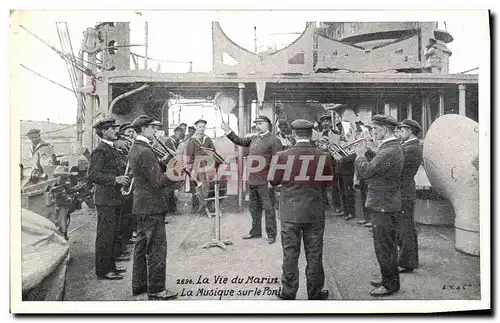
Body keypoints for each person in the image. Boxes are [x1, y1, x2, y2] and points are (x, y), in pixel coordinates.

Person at [270, 119, 332, 300]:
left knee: (290, 253)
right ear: (311, 134)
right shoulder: (323, 155)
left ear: (293, 135)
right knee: (314, 254)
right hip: (314, 212)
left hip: (290, 213)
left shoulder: (282, 156)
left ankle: (288, 292)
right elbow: (328, 183)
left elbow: (273, 181)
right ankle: (315, 293)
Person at [128, 115, 179, 300]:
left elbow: (148, 172)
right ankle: (157, 290)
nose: (155, 130)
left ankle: (139, 285)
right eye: (151, 127)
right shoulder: (146, 151)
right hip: (152, 206)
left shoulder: (137, 148)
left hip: (141, 205)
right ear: (143, 129)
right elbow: (157, 181)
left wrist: (163, 162)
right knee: (156, 248)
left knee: (141, 247)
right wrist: (175, 172)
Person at [354, 114, 404, 297]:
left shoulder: (389, 150)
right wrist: (371, 152)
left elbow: (366, 172)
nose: (372, 133)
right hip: (386, 202)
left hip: (383, 203)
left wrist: (360, 156)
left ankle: (390, 284)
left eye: (374, 129)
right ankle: (388, 279)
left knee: (384, 246)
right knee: (386, 245)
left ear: (383, 129)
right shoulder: (390, 148)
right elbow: (381, 166)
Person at [221, 115, 282, 244]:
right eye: (257, 123)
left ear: (267, 125)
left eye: (260, 123)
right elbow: (240, 141)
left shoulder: (274, 140)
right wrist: (228, 131)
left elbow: (277, 162)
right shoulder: (254, 138)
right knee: (254, 208)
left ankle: (271, 235)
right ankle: (255, 232)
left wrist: (272, 180)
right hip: (253, 179)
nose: (257, 126)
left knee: (269, 209)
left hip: (266, 181)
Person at [87, 118, 130, 280]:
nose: (115, 131)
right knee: (105, 235)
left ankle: (111, 266)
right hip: (105, 200)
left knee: (113, 234)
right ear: (104, 131)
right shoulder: (100, 150)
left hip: (114, 198)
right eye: (112, 128)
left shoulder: (111, 148)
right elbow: (92, 175)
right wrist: (115, 180)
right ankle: (103, 270)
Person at [395, 119, 423, 273]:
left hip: (404, 190)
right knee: (405, 226)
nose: (400, 132)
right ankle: (407, 259)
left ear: (409, 131)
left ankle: (407, 262)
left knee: (406, 227)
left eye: (403, 129)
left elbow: (398, 166)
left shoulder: (411, 148)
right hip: (405, 190)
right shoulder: (409, 145)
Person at [184, 119, 218, 213]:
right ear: (196, 128)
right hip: (196, 166)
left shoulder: (208, 139)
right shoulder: (192, 140)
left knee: (209, 185)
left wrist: (208, 153)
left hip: (208, 165)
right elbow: (189, 155)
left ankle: (208, 205)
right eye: (200, 127)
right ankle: (198, 207)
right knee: (197, 185)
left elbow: (213, 151)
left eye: (203, 127)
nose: (202, 129)